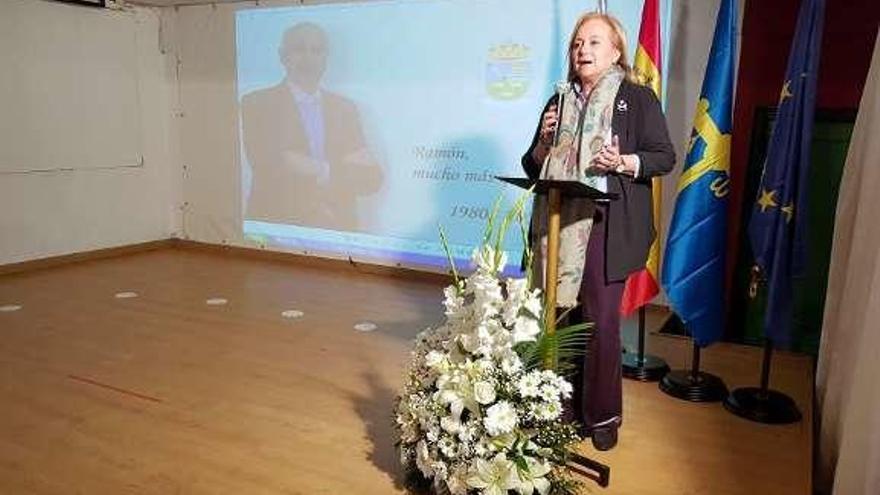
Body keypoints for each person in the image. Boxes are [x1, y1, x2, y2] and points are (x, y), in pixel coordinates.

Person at [522, 12, 675, 451]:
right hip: (558, 222)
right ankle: (560, 407)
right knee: (559, 318)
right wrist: (543, 146)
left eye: (593, 43)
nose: (582, 51)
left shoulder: (636, 98)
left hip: (607, 226)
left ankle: (602, 415)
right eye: (577, 44)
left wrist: (624, 162)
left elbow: (663, 157)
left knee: (600, 323)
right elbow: (531, 164)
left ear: (615, 51)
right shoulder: (558, 101)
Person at [241, 22, 383, 232]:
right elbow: (270, 168)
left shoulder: (345, 109)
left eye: (316, 50)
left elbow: (371, 179)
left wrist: (319, 168)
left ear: (326, 57)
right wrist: (342, 168)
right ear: (283, 56)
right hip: (277, 233)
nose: (308, 58)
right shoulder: (256, 104)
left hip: (339, 233)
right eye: (299, 49)